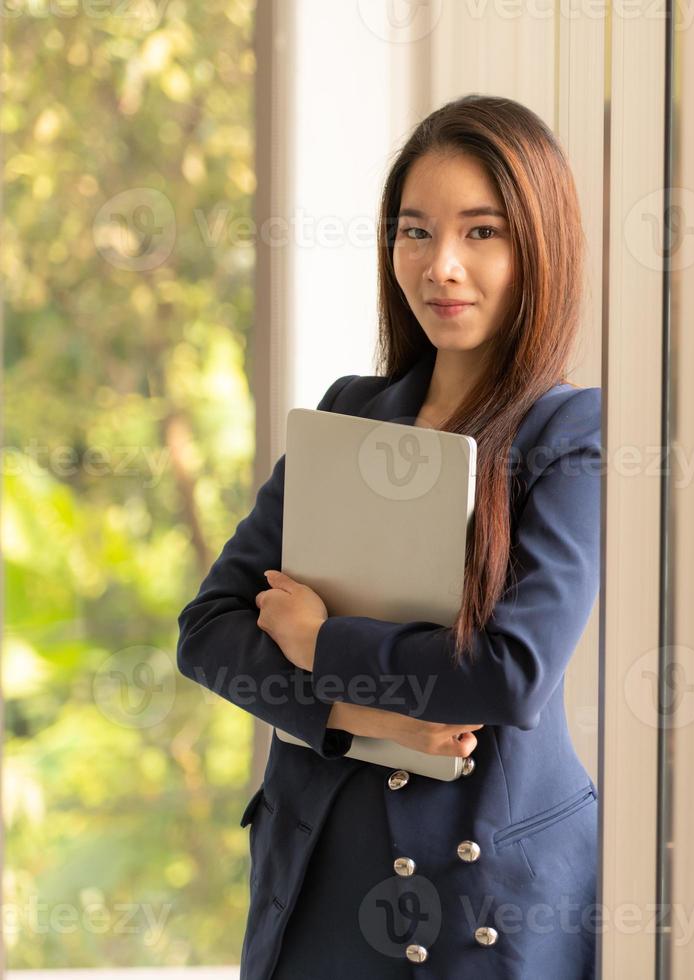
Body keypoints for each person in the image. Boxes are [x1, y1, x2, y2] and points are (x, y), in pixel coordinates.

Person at [176, 94, 602, 979]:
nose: (441, 266)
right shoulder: (350, 414)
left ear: (539, 245)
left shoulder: (570, 435)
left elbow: (510, 674)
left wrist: (317, 638)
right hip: (325, 874)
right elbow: (209, 632)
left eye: (481, 233)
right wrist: (365, 715)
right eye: (415, 233)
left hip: (488, 899)